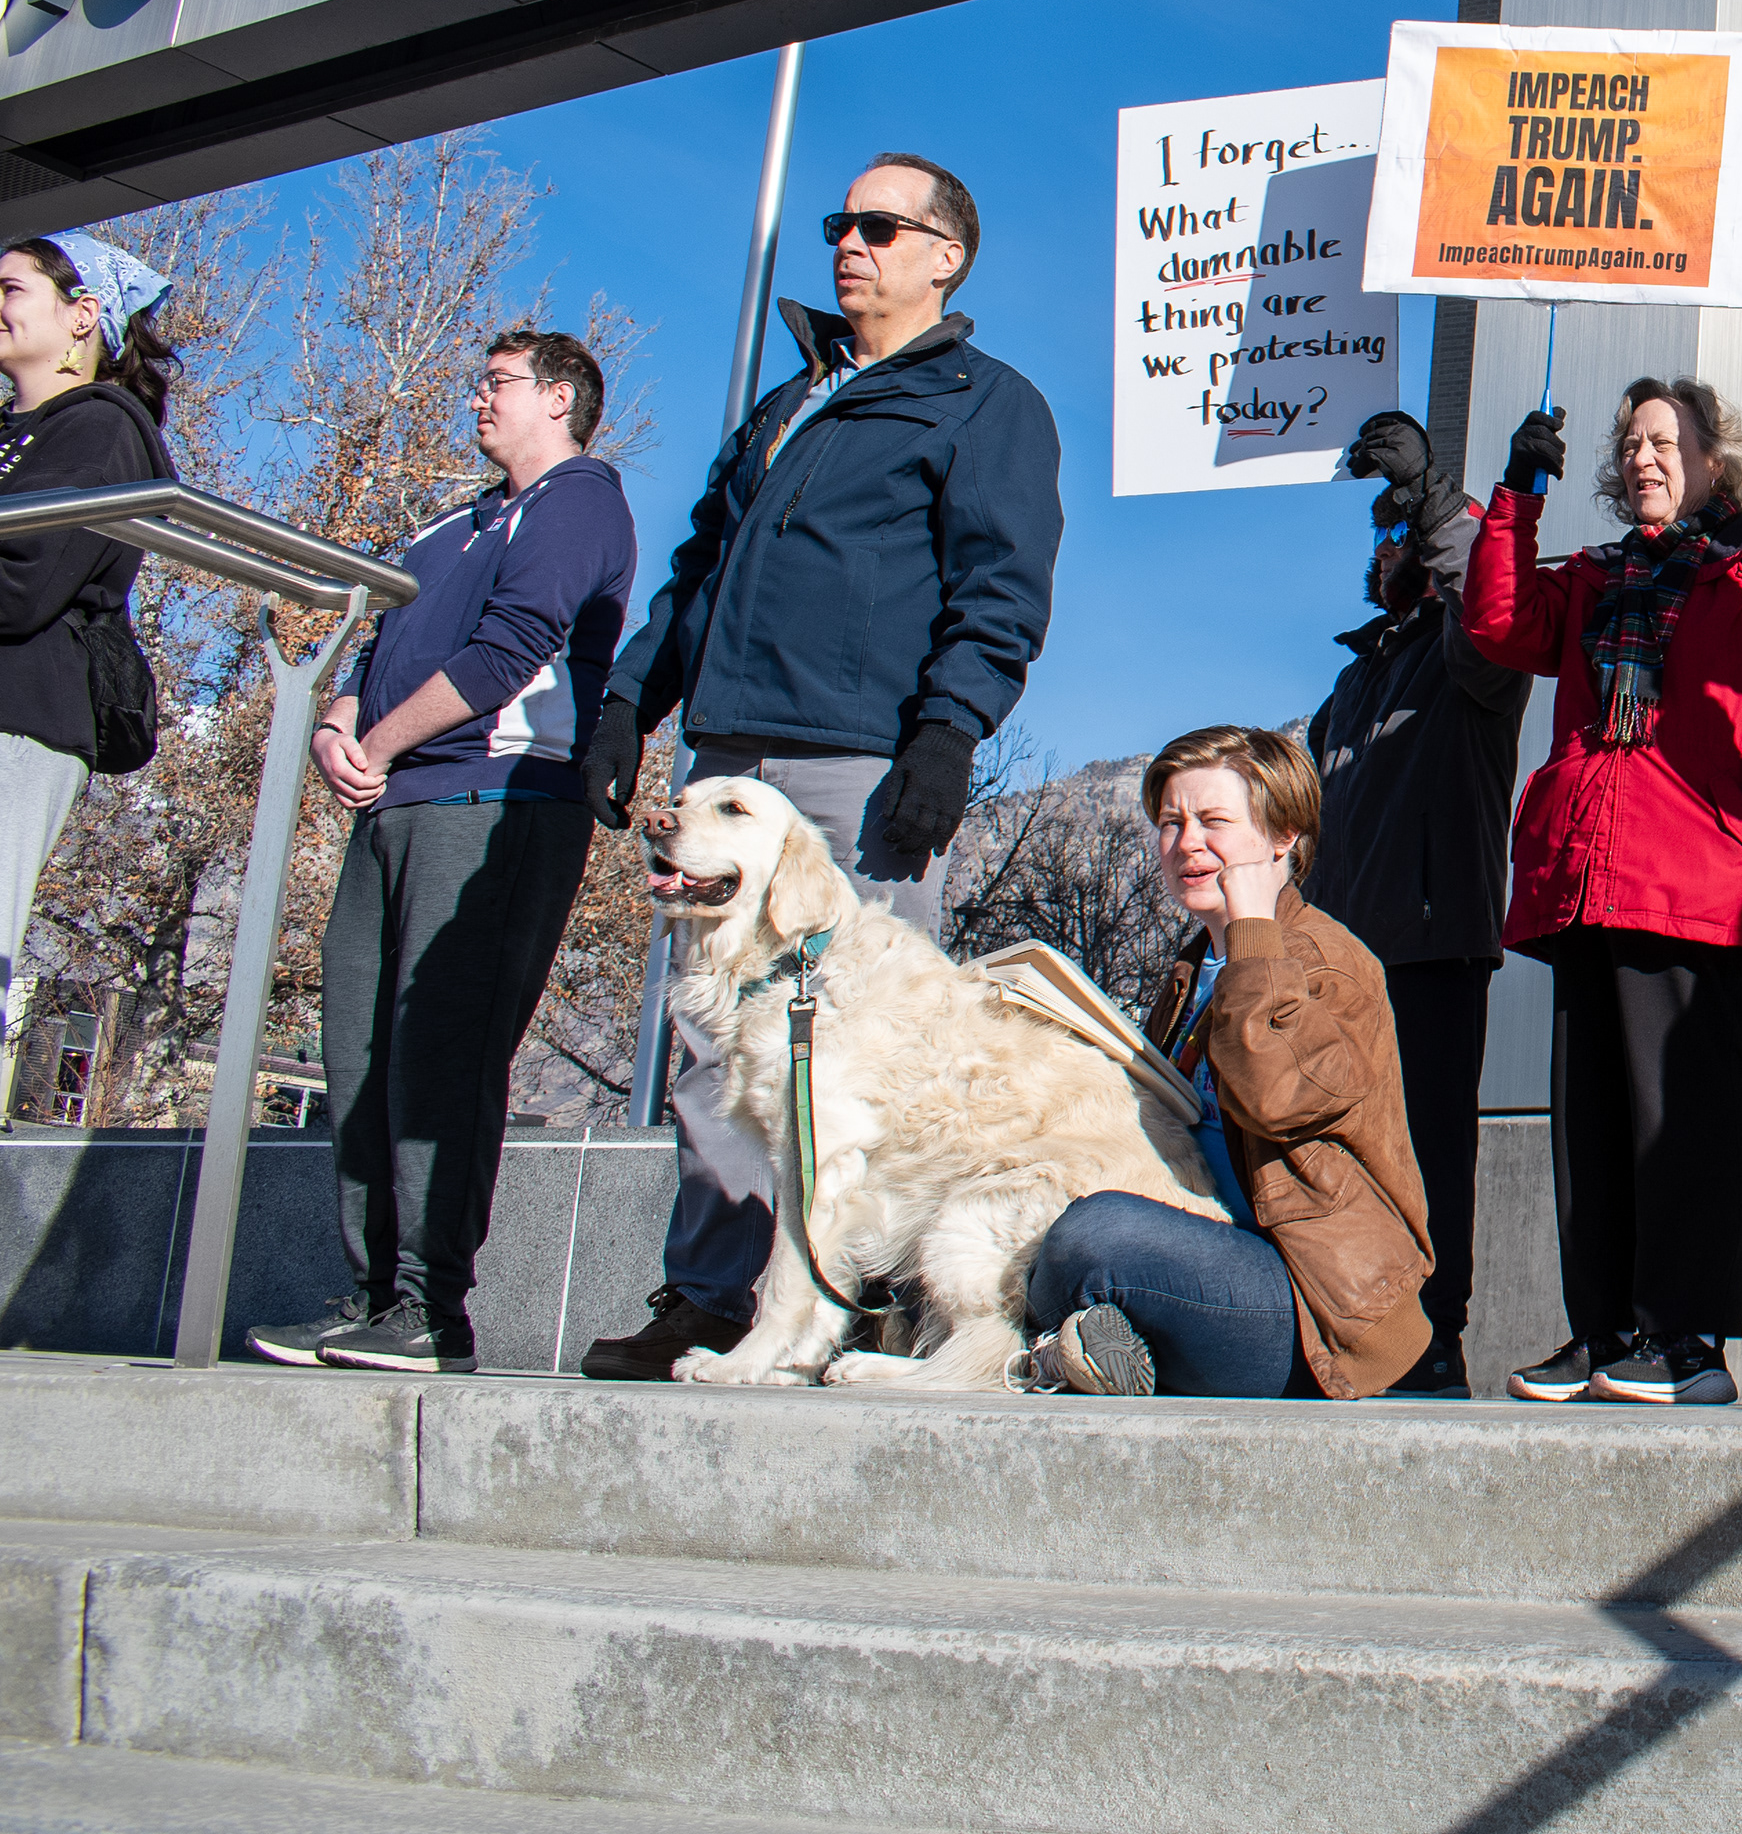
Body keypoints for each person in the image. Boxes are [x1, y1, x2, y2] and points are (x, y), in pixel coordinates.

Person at [573, 153, 1064, 1382]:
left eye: (880, 226)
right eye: (840, 223)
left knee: (857, 1051)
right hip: (730, 753)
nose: (849, 242)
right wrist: (635, 696)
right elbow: (702, 562)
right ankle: (711, 1297)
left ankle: (855, 1304)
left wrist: (948, 732)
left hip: (857, 764)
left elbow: (1000, 587)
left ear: (946, 253)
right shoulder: (790, 402)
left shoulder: (984, 401)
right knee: (714, 1052)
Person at [1465, 376, 1742, 1408]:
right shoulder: (1595, 580)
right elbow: (1498, 625)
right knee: (1592, 1121)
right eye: (1631, 441)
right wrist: (1516, 492)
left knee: (1680, 1119)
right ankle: (1604, 1333)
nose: (1644, 455)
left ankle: (1686, 1345)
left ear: (1714, 461)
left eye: (1667, 440)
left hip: (1697, 881)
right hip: (1588, 878)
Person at [249, 331, 639, 1375]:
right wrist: (338, 721)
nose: (478, 396)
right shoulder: (447, 523)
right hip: (391, 806)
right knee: (359, 1054)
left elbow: (513, 648)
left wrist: (376, 741)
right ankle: (372, 1295)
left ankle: (432, 1309)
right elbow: (377, 641)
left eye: (498, 382)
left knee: (443, 1057)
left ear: (558, 398)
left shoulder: (579, 500)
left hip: (494, 802)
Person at [1026, 725, 1433, 1399]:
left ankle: (1066, 1351)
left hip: (1309, 1309)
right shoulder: (1191, 972)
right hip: (1203, 1256)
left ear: (1283, 838)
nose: (1186, 843)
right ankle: (1089, 1351)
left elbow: (1276, 1095)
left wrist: (1251, 929)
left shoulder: (1330, 964)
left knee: (1093, 1235)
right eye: (1170, 822)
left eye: (1213, 821)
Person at [1306, 408, 1528, 1399]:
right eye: (1384, 527)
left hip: (1434, 945)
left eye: (1405, 527)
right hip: (1338, 966)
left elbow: (1490, 592)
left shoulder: (1473, 659)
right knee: (1338, 1167)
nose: (1387, 540)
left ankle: (1433, 1348)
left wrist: (1439, 498)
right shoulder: (1352, 681)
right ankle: (1345, 1338)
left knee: (1429, 1161)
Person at [0, 234, 173, 1124]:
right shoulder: (13, 433)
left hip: (19, 715)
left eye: (10, 286)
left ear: (82, 317)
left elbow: (24, 583)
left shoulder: (101, 429)